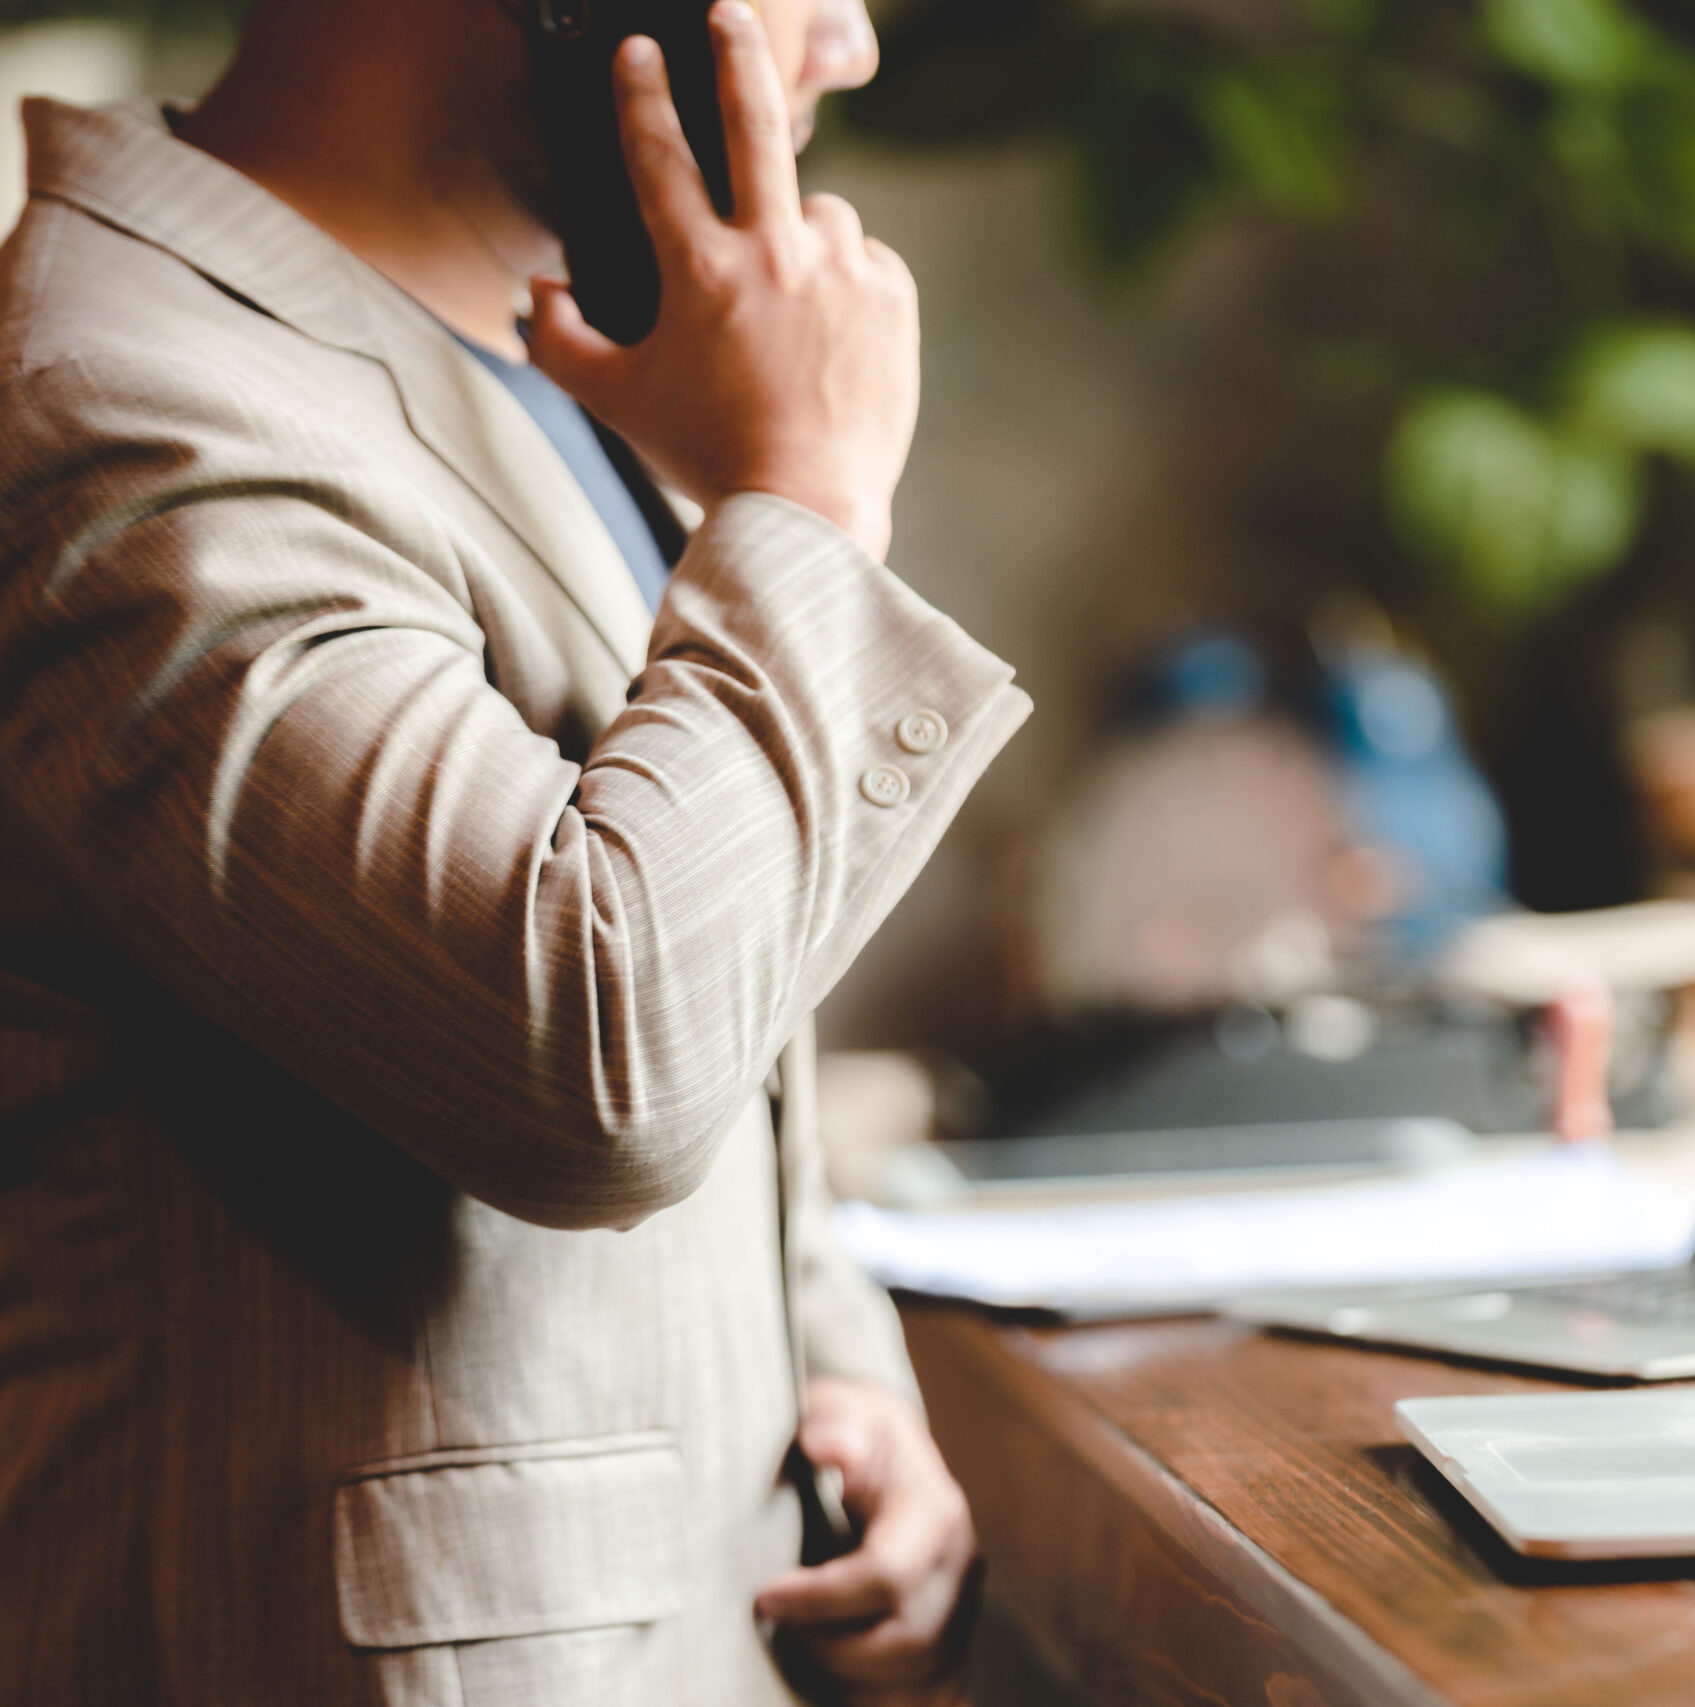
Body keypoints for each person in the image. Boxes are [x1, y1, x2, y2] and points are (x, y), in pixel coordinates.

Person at [0, 0, 1024, 1700]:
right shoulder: (117, 405)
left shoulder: (551, 361)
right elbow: (586, 1054)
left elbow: (728, 940)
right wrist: (815, 507)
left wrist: (839, 1391)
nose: (844, 42)